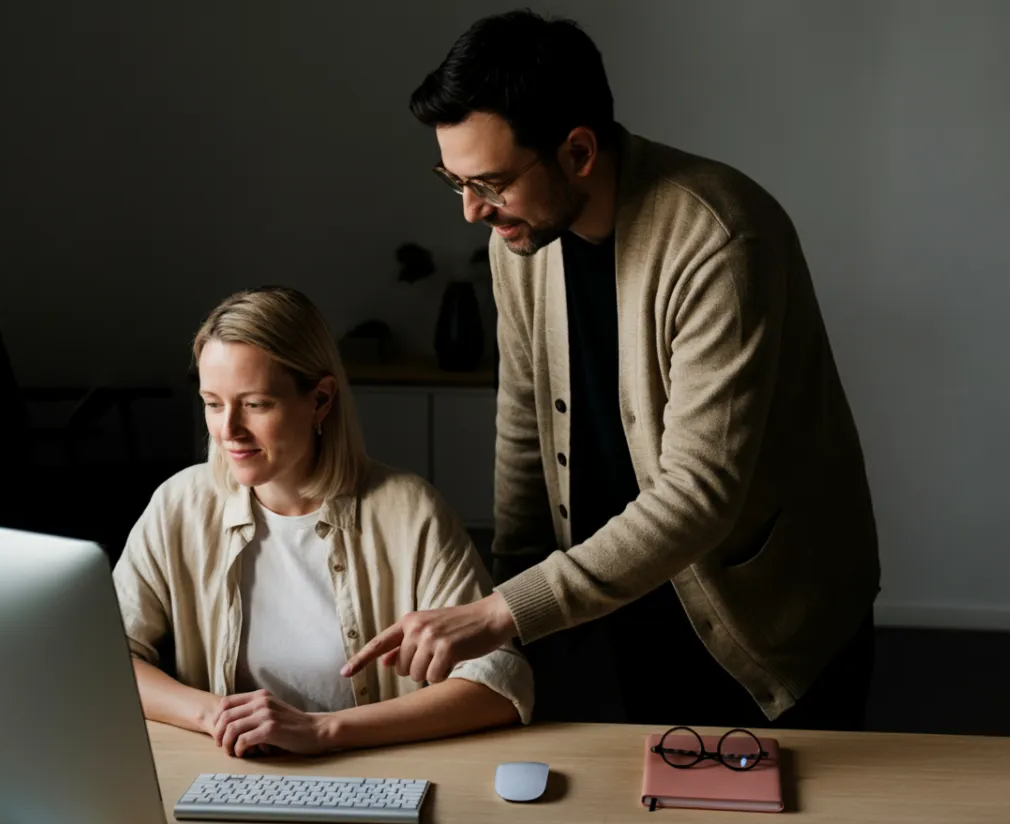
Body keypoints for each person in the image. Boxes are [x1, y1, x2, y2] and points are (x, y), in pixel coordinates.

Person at [344, 11, 880, 730]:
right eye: (455, 181)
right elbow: (523, 421)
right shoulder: (520, 239)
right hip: (630, 601)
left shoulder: (721, 239)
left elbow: (697, 493)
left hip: (768, 612)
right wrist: (510, 591)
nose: (472, 211)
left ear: (579, 152)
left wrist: (504, 610)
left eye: (492, 182)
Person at [112, 286, 532, 757]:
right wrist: (213, 715)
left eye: (255, 404)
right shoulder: (178, 505)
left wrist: (324, 731)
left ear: (321, 399)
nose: (228, 430)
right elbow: (106, 656)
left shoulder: (409, 511)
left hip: (378, 780)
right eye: (213, 403)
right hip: (229, 778)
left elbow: (499, 681)